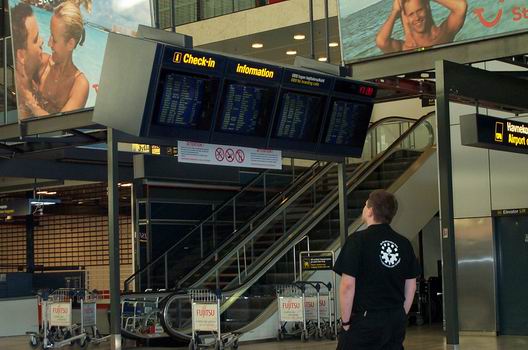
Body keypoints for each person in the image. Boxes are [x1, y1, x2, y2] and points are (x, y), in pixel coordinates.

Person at [334, 189, 420, 350]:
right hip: (395, 320)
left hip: (367, 320)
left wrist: (345, 322)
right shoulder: (404, 244)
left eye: (366, 204)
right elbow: (411, 285)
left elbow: (347, 285)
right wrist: (401, 314)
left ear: (370, 211)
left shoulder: (357, 241)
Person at [26, 1, 89, 116]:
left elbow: (60, 128)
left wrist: (32, 105)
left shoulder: (79, 85)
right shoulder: (41, 63)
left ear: (70, 44)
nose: (49, 43)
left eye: (54, 39)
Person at [376, 0, 467, 54]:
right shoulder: (404, 48)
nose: (417, 18)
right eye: (411, 14)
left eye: (419, 10)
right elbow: (381, 41)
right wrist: (395, 11)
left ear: (427, 7)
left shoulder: (443, 35)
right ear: (406, 18)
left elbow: (461, 7)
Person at [11, 2, 45, 120]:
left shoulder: (31, 76)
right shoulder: (22, 100)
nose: (42, 41)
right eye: (36, 39)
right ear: (21, 55)